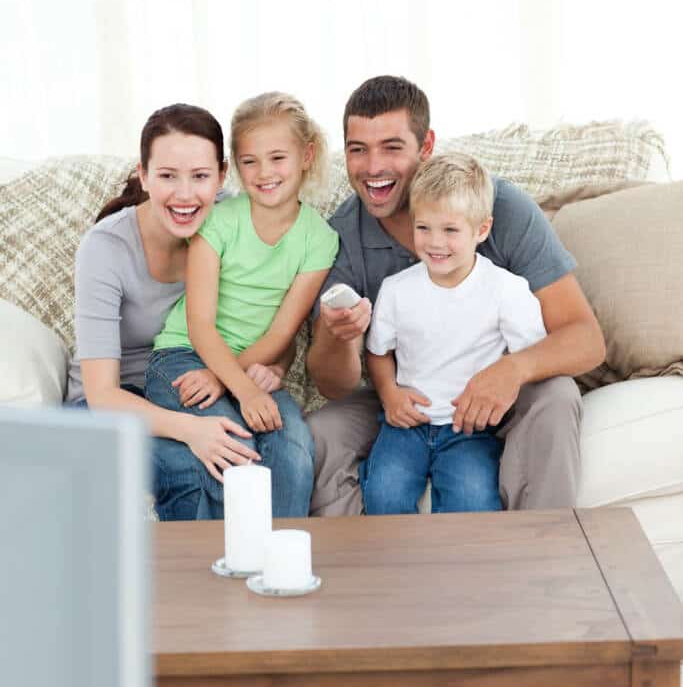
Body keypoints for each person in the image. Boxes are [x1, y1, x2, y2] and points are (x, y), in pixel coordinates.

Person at [306, 75, 606, 516]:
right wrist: (339, 336)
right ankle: (363, 570)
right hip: (407, 394)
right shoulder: (345, 234)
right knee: (320, 432)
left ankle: (543, 555)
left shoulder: (496, 207)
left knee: (557, 396)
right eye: (357, 149)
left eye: (392, 147)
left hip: (495, 388)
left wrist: (511, 370)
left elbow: (586, 339)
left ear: (426, 145)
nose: (372, 167)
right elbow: (335, 384)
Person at [66, 103, 273, 518]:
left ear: (222, 175)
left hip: (191, 388)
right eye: (166, 176)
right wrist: (192, 431)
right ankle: (191, 580)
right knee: (191, 470)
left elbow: (272, 301)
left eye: (199, 176)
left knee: (256, 455)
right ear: (143, 175)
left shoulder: (235, 223)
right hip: (111, 403)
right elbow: (101, 394)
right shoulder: (106, 248)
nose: (184, 195)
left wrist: (270, 366)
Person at [145, 91, 339, 519]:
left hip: (248, 366)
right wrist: (238, 385)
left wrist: (234, 380)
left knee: (292, 446)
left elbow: (281, 333)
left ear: (306, 155)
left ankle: (280, 563)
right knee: (234, 443)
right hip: (182, 359)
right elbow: (199, 323)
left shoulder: (320, 240)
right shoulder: (218, 220)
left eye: (277, 158)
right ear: (235, 166)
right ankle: (222, 569)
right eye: (250, 161)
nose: (264, 173)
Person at [361, 152, 547, 515]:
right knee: (383, 494)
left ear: (481, 229)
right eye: (424, 228)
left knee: (474, 501)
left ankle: (462, 571)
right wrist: (389, 395)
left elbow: (533, 354)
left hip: (470, 429)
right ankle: (399, 569)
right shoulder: (397, 289)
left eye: (450, 230)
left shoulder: (505, 290)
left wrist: (500, 392)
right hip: (408, 423)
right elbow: (378, 351)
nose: (435, 242)